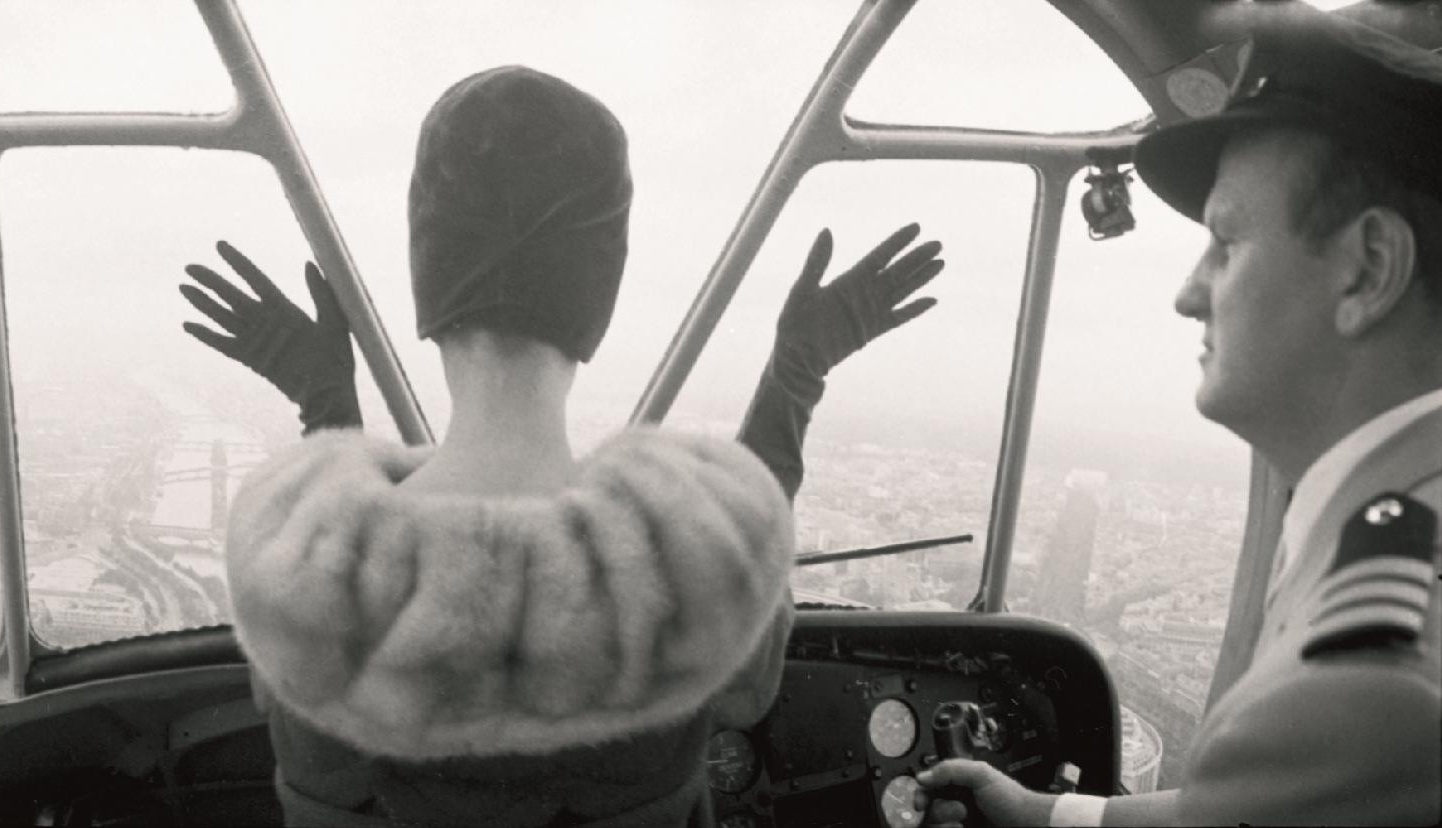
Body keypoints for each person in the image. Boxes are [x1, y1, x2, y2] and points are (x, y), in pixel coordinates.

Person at [188, 66, 943, 826]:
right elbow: (744, 648)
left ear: (427, 278)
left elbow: (334, 598)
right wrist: (794, 377)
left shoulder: (294, 583)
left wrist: (327, 404)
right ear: (600, 297)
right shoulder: (699, 583)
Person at [914, 12, 1442, 827]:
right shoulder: (1398, 528)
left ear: (1368, 269)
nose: (1188, 293)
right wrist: (1046, 815)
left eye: (1227, 244)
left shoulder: (1361, 684)